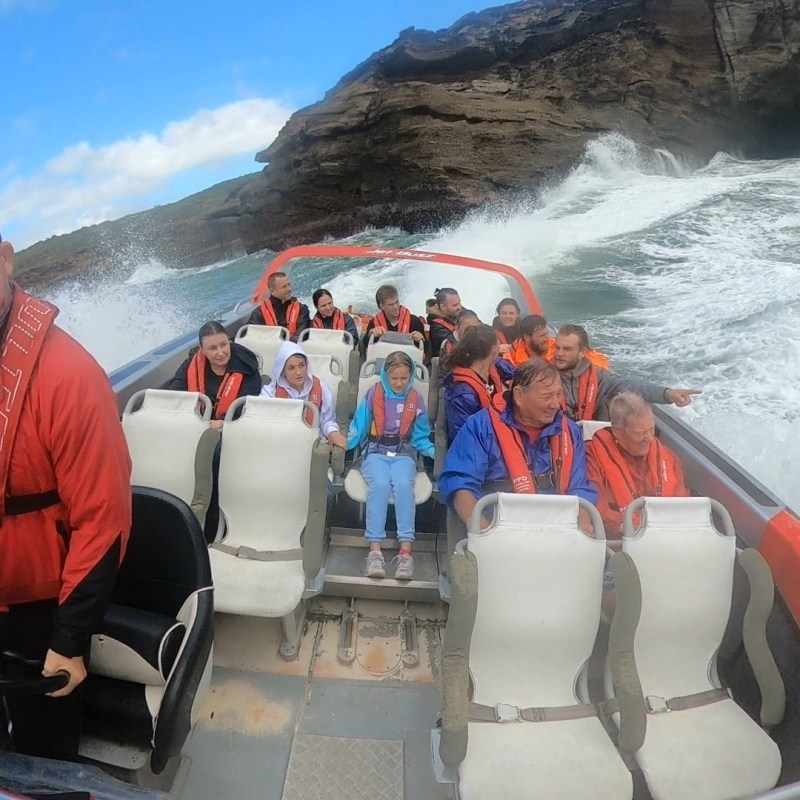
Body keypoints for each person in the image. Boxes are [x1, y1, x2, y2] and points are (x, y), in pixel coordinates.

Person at [0, 233, 132, 760]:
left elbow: (104, 519)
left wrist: (69, 640)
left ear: (5, 259)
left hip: (39, 610)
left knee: (44, 752)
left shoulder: (69, 375)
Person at [438, 359, 597, 532]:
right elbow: (460, 483)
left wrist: (584, 522)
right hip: (498, 527)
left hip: (559, 529)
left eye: (558, 395)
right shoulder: (480, 427)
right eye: (546, 397)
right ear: (519, 395)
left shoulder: (572, 433)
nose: (555, 404)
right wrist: (478, 526)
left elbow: (580, 486)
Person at [346, 351, 435, 580]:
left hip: (404, 455)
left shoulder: (417, 400)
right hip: (375, 453)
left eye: (404, 378)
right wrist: (341, 445)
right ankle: (374, 552)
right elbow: (358, 428)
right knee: (381, 485)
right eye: (394, 378)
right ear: (386, 376)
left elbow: (421, 437)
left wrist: (434, 452)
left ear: (410, 377)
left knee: (405, 485)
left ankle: (406, 552)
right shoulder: (372, 394)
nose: (398, 383)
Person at [586, 392, 689, 538]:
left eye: (651, 430)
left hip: (668, 537)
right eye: (640, 433)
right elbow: (596, 507)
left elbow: (683, 503)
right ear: (618, 432)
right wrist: (630, 529)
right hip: (618, 542)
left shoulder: (669, 458)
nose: (648, 439)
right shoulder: (592, 457)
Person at [553, 324, 700, 421]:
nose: (559, 353)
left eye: (567, 349)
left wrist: (667, 394)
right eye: (557, 347)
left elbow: (630, 385)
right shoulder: (541, 376)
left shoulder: (598, 376)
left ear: (582, 352)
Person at [164, 320, 261, 427]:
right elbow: (175, 394)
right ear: (202, 350)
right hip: (193, 424)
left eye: (224, 345)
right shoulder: (190, 364)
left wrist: (224, 424)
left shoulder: (247, 368)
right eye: (212, 348)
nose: (220, 353)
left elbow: (247, 409)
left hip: (232, 428)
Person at [260, 342, 346, 450]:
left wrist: (332, 432)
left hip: (311, 445)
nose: (298, 372)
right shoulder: (270, 393)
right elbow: (262, 423)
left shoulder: (321, 388)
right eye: (291, 368)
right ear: (283, 371)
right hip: (279, 445)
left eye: (301, 365)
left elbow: (327, 420)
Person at [442, 324, 515, 444]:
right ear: (494, 349)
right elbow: (464, 438)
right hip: (475, 448)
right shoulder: (462, 393)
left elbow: (520, 375)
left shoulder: (495, 365)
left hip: (498, 432)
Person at [248, 271, 310, 341]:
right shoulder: (259, 313)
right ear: (272, 291)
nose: (289, 289)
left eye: (289, 285)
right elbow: (251, 336)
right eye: (284, 287)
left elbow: (301, 335)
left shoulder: (302, 309)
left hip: (293, 348)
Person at [362, 284, 426, 351]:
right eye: (391, 305)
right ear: (382, 306)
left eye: (397, 302)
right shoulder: (373, 323)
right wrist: (371, 334)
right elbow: (365, 345)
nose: (395, 307)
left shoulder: (413, 321)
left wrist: (420, 338)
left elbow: (425, 347)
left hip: (406, 359)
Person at [427, 287, 463, 357]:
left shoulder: (458, 311)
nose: (460, 307)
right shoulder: (435, 326)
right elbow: (453, 346)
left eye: (459, 303)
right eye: (455, 305)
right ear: (443, 307)